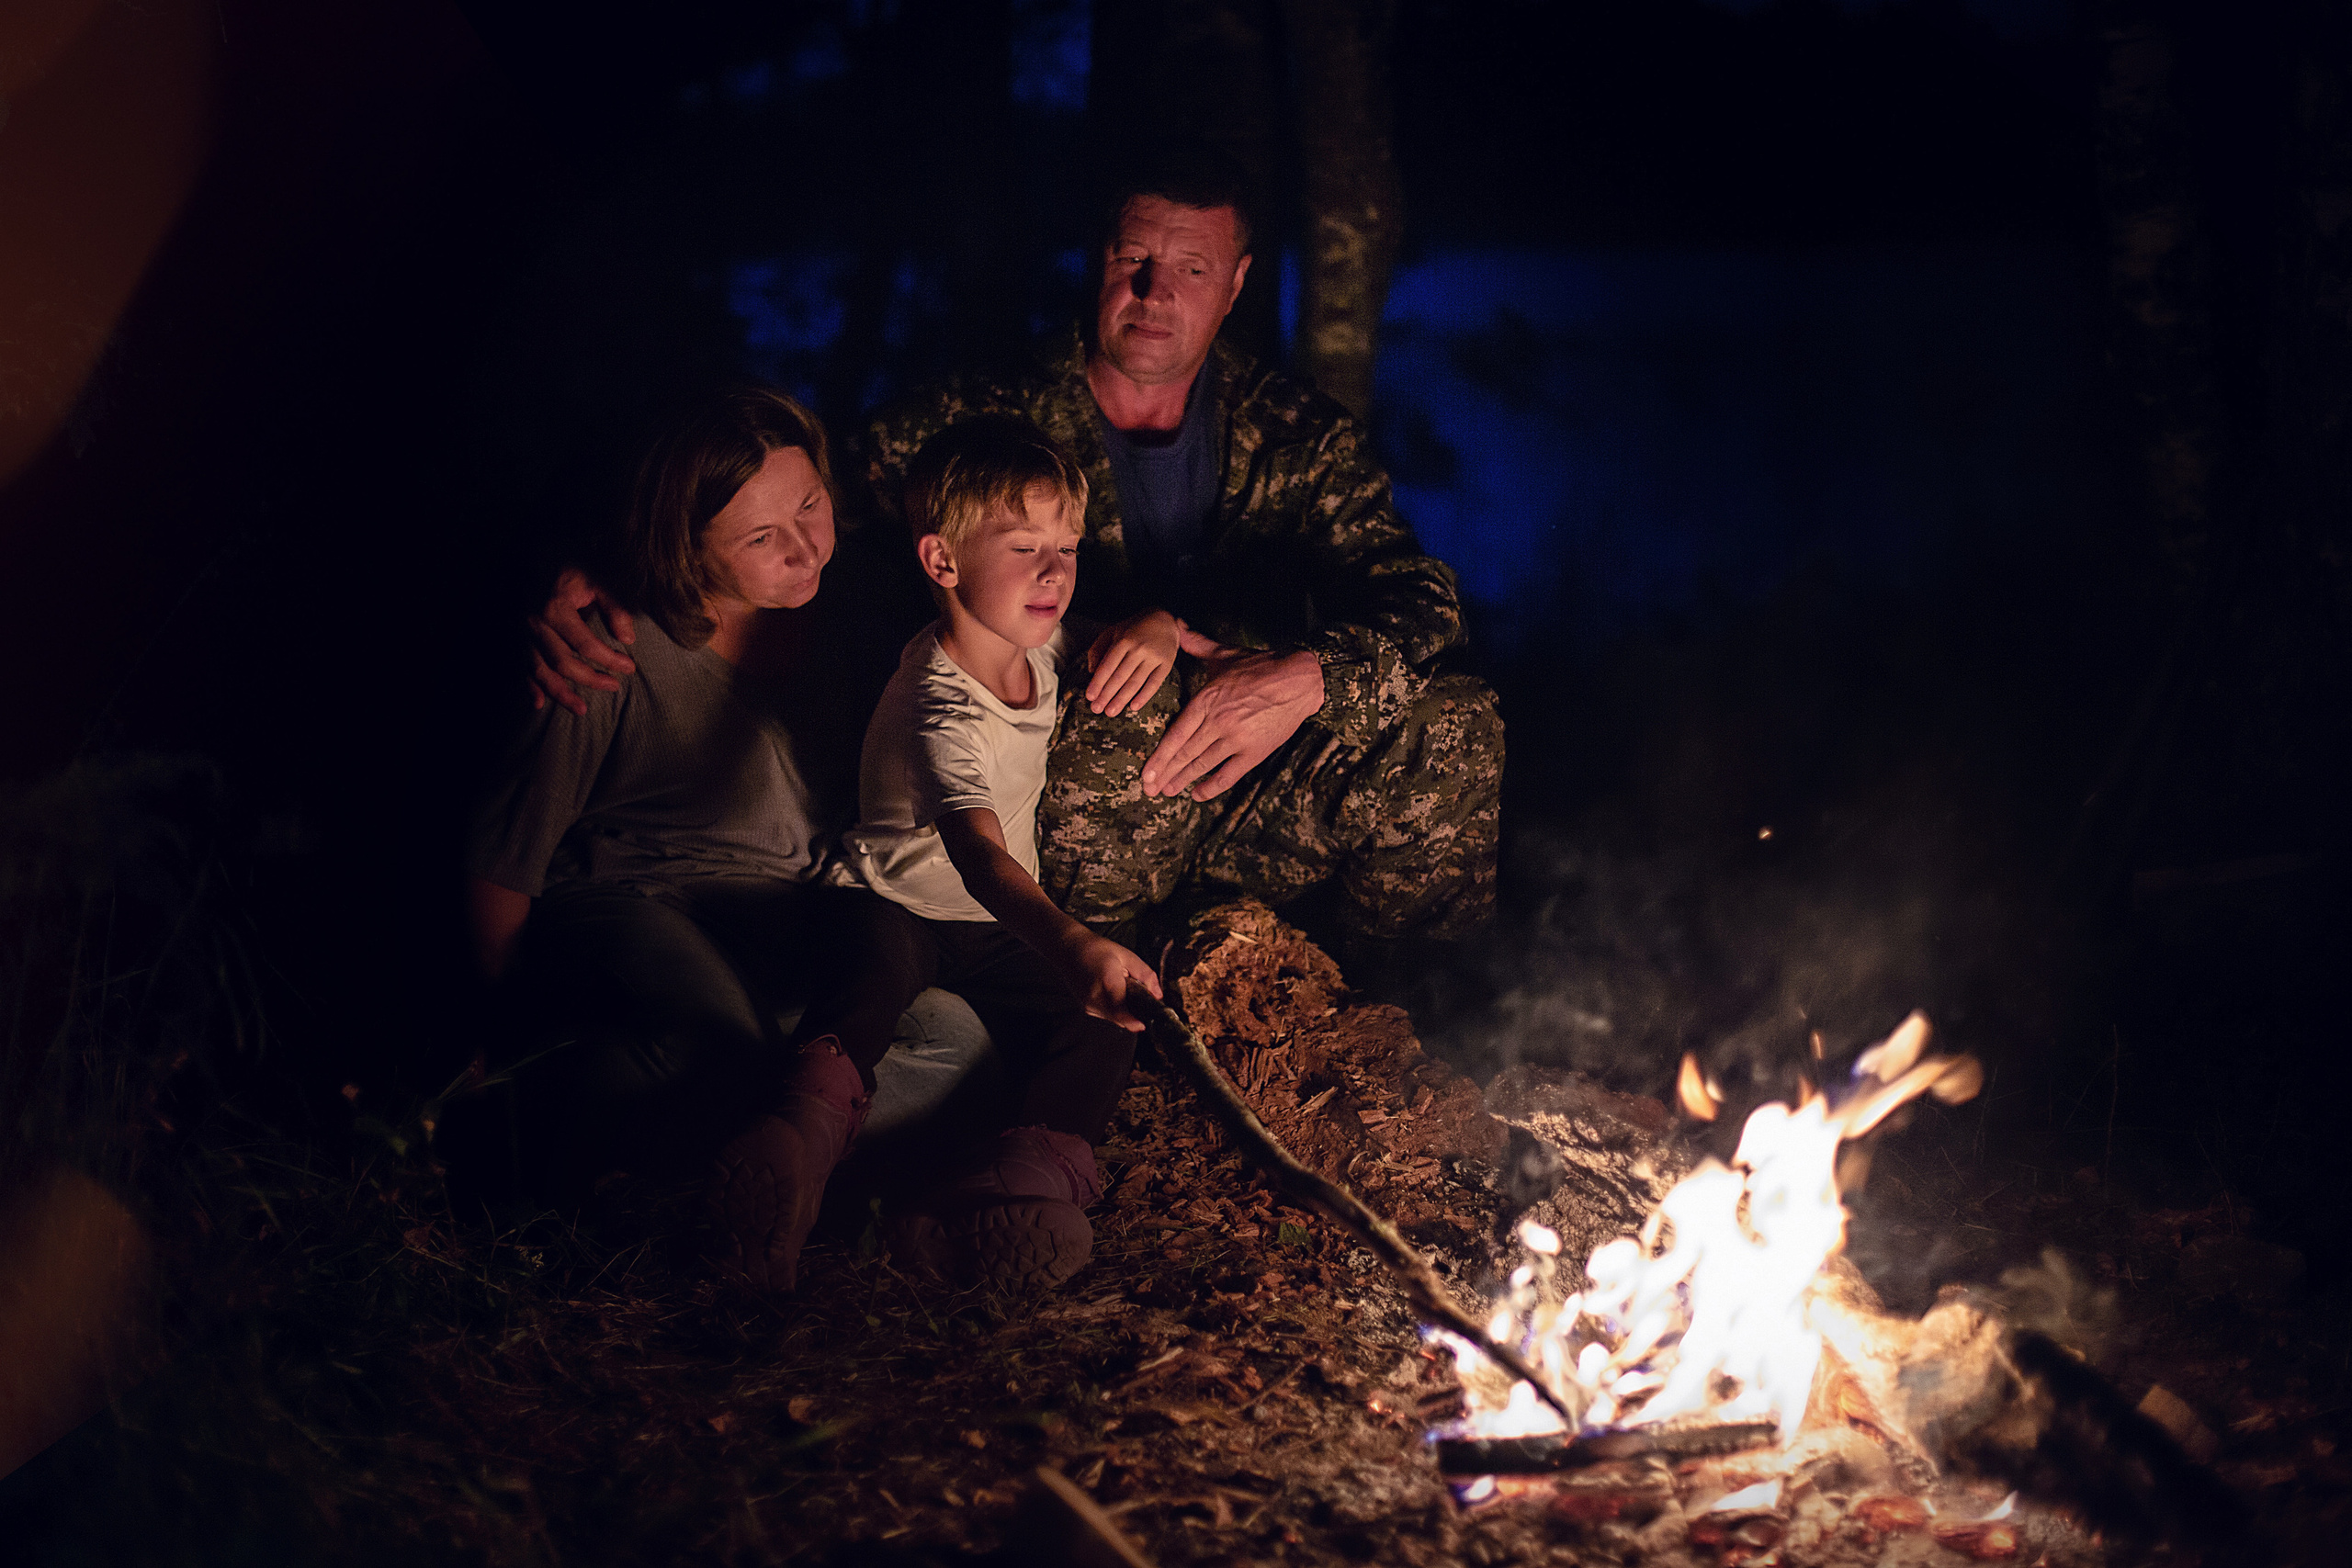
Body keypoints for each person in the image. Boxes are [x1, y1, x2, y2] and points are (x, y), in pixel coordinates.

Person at [528, 141, 1504, 972]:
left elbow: (1421, 598)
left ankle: (1417, 1044)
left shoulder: (1295, 435)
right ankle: (1114, 999)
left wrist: (1307, 678)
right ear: (1099, 261)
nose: (1153, 294)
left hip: (1248, 778)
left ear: (1238, 283)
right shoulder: (981, 420)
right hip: (1075, 803)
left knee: (1454, 719)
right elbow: (773, 493)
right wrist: (618, 555)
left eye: (1192, 270)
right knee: (1107, 704)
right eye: (1133, 259)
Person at [465, 388, 988, 1269]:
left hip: (787, 909)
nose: (805, 546)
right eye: (760, 538)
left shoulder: (854, 602)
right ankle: (567, 1163)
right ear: (683, 544)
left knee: (955, 1044)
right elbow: (503, 865)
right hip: (638, 899)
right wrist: (489, 1046)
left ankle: (752, 1163)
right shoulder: (612, 645)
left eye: (811, 505)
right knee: (720, 1042)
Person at [746, 414, 1161, 1293]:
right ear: (941, 561)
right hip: (893, 898)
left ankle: (1018, 1183)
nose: (1055, 569)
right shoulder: (939, 701)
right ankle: (797, 1143)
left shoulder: (1035, 637)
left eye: (1068, 545)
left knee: (1109, 1020)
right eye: (1024, 547)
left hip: (984, 927)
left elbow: (1118, 629)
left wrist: (1166, 625)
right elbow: (976, 851)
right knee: (872, 973)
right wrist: (1068, 939)